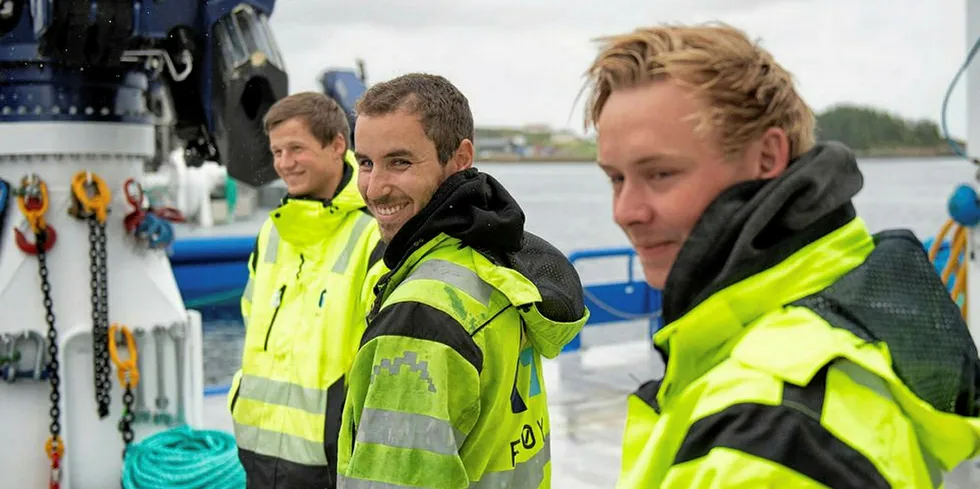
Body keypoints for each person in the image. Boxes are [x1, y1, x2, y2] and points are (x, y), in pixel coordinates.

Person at [582, 23, 980, 489]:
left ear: (768, 156)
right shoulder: (842, 305)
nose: (625, 212)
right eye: (615, 178)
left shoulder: (770, 432)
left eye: (661, 173)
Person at [335, 73, 590, 489]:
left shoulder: (420, 317)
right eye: (365, 162)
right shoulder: (499, 265)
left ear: (459, 157)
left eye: (399, 162)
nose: (374, 187)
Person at [228, 91, 387, 489]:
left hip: (331, 460)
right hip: (258, 449)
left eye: (296, 148)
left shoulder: (372, 234)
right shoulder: (273, 231)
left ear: (337, 145)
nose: (284, 163)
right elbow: (251, 317)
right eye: (277, 151)